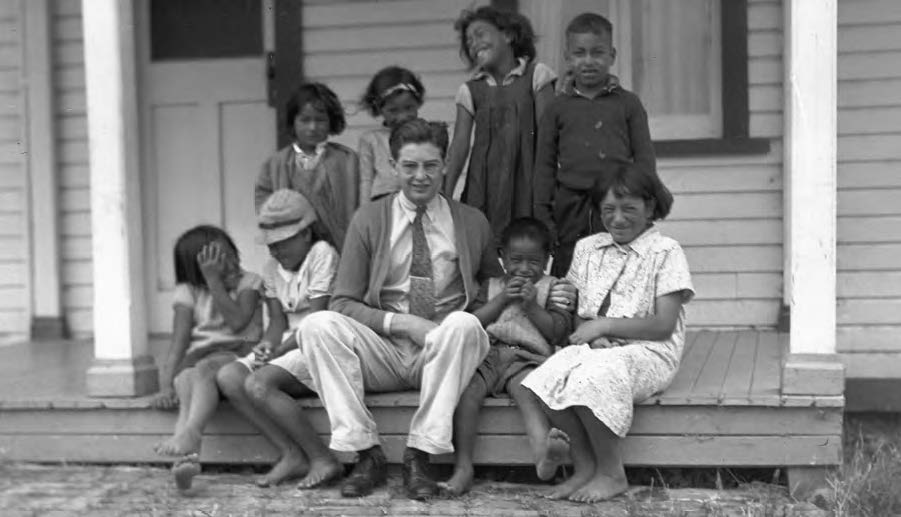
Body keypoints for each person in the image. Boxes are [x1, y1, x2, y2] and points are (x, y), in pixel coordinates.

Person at [296, 118, 504, 500]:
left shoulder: (472, 222)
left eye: (430, 165)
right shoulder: (370, 219)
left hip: (442, 352)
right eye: (409, 166)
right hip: (384, 350)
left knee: (465, 323)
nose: (420, 176)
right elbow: (342, 301)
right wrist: (402, 322)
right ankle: (365, 453)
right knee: (318, 325)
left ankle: (421, 455)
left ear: (445, 166)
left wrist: (454, 327)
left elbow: (490, 288)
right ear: (394, 167)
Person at [521, 163, 693, 503]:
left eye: (629, 209)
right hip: (597, 348)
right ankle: (585, 468)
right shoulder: (588, 249)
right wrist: (590, 333)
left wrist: (605, 326)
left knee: (594, 375)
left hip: (649, 351)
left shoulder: (666, 252)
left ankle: (613, 473)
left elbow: (663, 325)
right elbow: (577, 317)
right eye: (608, 210)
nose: (617, 219)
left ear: (651, 208)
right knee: (545, 378)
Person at [215, 189, 342, 489]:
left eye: (284, 242)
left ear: (306, 233)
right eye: (271, 244)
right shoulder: (272, 269)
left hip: (317, 341)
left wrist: (276, 353)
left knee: (257, 384)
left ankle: (323, 458)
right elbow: (277, 323)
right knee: (229, 376)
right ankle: (290, 453)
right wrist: (267, 346)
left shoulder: (322, 254)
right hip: (287, 344)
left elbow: (315, 319)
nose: (276, 251)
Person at [440, 217, 573, 496]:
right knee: (467, 393)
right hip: (488, 356)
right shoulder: (490, 287)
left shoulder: (552, 287)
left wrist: (532, 305)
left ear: (547, 259)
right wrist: (500, 300)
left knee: (528, 396)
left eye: (534, 261)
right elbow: (471, 323)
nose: (524, 269)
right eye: (516, 260)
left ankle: (543, 459)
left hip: (527, 359)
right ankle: (463, 466)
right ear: (502, 257)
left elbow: (558, 332)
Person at [533, 13, 657, 277]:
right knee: (569, 276)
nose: (588, 61)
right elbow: (544, 164)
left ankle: (611, 320)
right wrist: (543, 213)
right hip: (570, 206)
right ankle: (567, 319)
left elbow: (645, 160)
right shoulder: (557, 108)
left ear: (612, 56)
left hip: (617, 204)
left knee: (618, 271)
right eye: (580, 53)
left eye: (597, 53)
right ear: (567, 57)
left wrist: (645, 205)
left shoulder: (628, 104)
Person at [150, 225, 263, 490]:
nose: (230, 263)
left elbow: (238, 323)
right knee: (188, 377)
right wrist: (166, 384)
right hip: (200, 362)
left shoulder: (250, 283)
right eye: (217, 261)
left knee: (206, 366)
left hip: (238, 355)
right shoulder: (188, 291)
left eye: (230, 254)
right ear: (195, 269)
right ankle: (187, 459)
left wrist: (214, 282)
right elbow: (179, 341)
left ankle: (190, 436)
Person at [443, 6, 557, 240]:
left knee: (530, 244)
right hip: (484, 184)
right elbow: (460, 145)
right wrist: (444, 194)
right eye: (469, 41)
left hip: (528, 180)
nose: (474, 43)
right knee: (484, 243)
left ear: (508, 35)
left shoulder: (536, 76)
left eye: (481, 34)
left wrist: (549, 188)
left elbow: (548, 135)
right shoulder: (470, 90)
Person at [254, 82, 358, 250]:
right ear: (292, 122)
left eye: (320, 120)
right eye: (305, 120)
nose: (312, 127)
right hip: (295, 250)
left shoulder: (348, 160)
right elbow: (263, 201)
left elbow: (361, 204)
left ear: (331, 121)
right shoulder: (275, 165)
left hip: (342, 247)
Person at [358, 66, 426, 201]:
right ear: (379, 109)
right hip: (382, 202)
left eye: (408, 108)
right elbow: (366, 179)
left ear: (418, 103)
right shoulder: (371, 139)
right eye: (393, 110)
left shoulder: (426, 134)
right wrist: (364, 214)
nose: (402, 116)